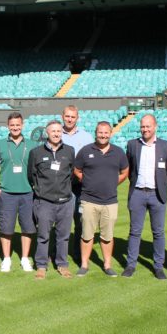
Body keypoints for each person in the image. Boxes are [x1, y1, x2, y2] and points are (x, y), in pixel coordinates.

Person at [74, 121, 129, 277]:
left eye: (106, 133)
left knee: (107, 236)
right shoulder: (86, 151)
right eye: (100, 132)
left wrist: (113, 183)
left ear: (110, 133)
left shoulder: (118, 152)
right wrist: (86, 181)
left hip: (110, 201)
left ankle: (107, 265)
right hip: (88, 200)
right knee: (87, 235)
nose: (103, 135)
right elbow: (77, 170)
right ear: (96, 133)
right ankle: (84, 265)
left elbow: (125, 172)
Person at [122, 114, 167, 279]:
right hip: (137, 193)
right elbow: (130, 169)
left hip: (157, 194)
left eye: (148, 126)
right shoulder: (132, 145)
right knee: (134, 231)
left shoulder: (166, 146)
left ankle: (158, 267)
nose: (145, 129)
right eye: (143, 126)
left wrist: (161, 185)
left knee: (158, 232)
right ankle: (131, 265)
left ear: (155, 127)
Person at [28, 120, 75, 279]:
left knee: (63, 236)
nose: (56, 134)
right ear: (47, 133)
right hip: (44, 202)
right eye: (53, 131)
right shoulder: (36, 152)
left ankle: (62, 264)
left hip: (65, 201)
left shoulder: (69, 151)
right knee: (43, 236)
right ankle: (41, 265)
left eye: (58, 131)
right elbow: (31, 176)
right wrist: (41, 191)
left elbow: (71, 174)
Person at [0, 112, 37, 272]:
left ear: (22, 125)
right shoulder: (0, 144)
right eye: (12, 125)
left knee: (27, 227)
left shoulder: (32, 145)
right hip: (7, 193)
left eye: (17, 125)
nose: (15, 127)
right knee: (6, 227)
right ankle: (6, 259)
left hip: (27, 192)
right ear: (8, 126)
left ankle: (25, 258)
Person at [61, 105, 93, 264]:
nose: (69, 119)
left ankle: (78, 254)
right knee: (61, 221)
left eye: (72, 117)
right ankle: (57, 253)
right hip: (60, 185)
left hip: (80, 186)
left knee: (80, 221)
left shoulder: (87, 137)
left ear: (77, 118)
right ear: (62, 116)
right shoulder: (56, 134)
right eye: (67, 116)